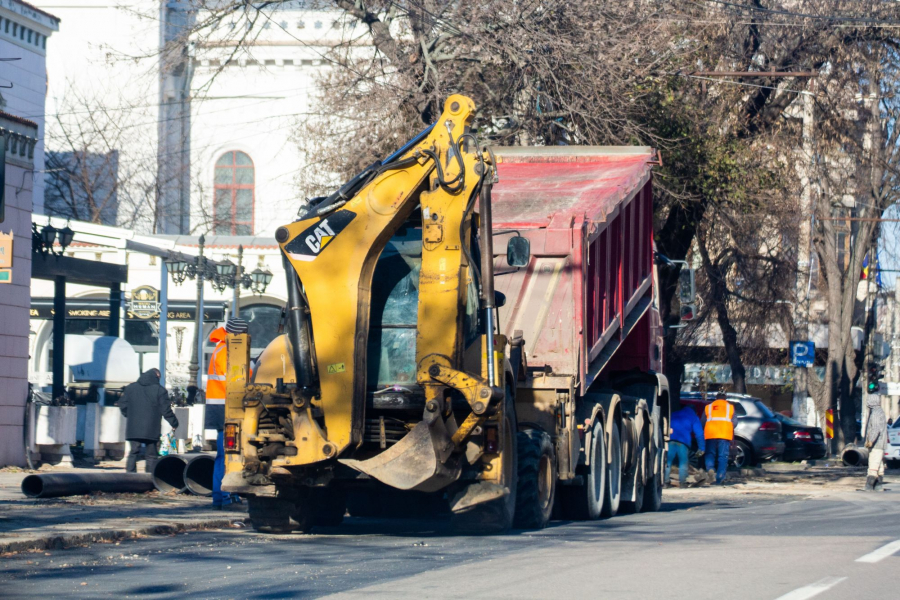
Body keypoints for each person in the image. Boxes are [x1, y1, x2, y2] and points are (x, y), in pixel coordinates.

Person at [206, 317, 249, 508]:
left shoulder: (221, 348)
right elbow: (238, 379)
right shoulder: (227, 351)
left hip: (220, 408)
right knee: (228, 455)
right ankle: (226, 497)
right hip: (227, 408)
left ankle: (222, 497)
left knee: (225, 455)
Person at [119, 368, 178, 473]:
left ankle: (130, 477)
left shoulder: (130, 388)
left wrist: (130, 415)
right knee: (151, 455)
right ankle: (150, 479)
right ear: (156, 376)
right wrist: (174, 422)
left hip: (134, 426)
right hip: (151, 426)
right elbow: (165, 409)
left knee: (133, 452)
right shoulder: (160, 390)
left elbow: (122, 404)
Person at [703, 392, 738, 486]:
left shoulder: (708, 407)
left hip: (711, 433)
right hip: (724, 434)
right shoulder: (730, 407)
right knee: (723, 456)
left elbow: (703, 421)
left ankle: (710, 468)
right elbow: (734, 422)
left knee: (710, 453)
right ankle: (720, 477)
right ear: (725, 398)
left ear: (716, 398)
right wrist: (728, 427)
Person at [667, 405, 705, 487]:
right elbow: (699, 434)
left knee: (668, 461)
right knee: (683, 462)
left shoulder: (674, 414)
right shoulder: (694, 417)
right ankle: (683, 483)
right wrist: (701, 448)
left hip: (670, 439)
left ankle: (665, 482)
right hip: (683, 442)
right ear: (695, 411)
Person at [864, 395, 888, 492]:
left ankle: (869, 485)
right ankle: (878, 485)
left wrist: (870, 441)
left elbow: (875, 429)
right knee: (879, 466)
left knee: (873, 464)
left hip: (876, 444)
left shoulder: (875, 414)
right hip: (881, 443)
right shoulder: (880, 411)